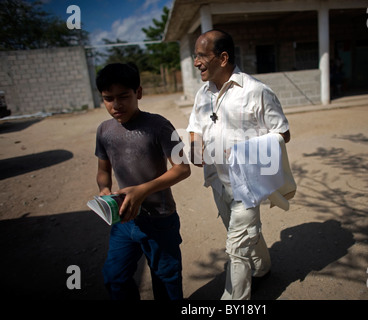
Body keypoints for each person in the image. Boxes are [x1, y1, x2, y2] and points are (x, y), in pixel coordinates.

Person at [187, 29, 290, 300]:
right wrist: (195, 146)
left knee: (235, 248)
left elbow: (283, 133)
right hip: (218, 183)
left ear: (222, 58)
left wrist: (247, 150)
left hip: (248, 184)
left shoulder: (257, 92)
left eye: (200, 56)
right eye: (194, 56)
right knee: (243, 236)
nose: (196, 62)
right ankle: (264, 268)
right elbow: (195, 126)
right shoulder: (202, 94)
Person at [94, 62, 190, 300]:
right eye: (108, 98)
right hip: (124, 219)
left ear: (138, 92)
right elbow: (103, 170)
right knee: (114, 276)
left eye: (123, 96)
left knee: (166, 278)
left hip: (160, 219)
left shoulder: (159, 126)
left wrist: (142, 191)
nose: (116, 105)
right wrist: (105, 189)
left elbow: (182, 169)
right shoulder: (104, 130)